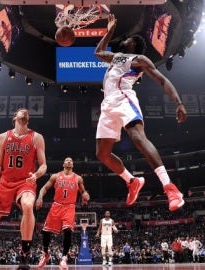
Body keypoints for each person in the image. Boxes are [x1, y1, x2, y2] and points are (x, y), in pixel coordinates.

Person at [94, 14, 187, 211]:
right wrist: (109, 30)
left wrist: (178, 102)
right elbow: (98, 52)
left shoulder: (139, 59)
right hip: (107, 104)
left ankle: (170, 188)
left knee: (137, 137)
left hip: (124, 98)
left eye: (129, 38)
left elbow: (162, 80)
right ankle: (132, 181)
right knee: (102, 154)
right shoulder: (117, 58)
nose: (125, 38)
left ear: (133, 44)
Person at [0, 108, 47, 270]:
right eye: (21, 111)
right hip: (5, 181)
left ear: (28, 119)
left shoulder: (37, 137)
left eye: (27, 112)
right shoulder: (3, 137)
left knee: (27, 205)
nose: (25, 112)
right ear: (15, 117)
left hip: (26, 180)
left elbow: (44, 165)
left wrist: (37, 175)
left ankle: (24, 257)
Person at [35, 157, 90, 269]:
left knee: (68, 231)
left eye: (71, 160)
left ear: (73, 165)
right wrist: (40, 197)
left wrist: (85, 196)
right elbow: (44, 188)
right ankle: (45, 254)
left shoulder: (78, 178)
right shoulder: (55, 176)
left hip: (69, 207)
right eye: (67, 160)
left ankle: (64, 258)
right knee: (45, 232)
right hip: (56, 205)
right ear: (63, 164)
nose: (69, 161)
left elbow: (83, 191)